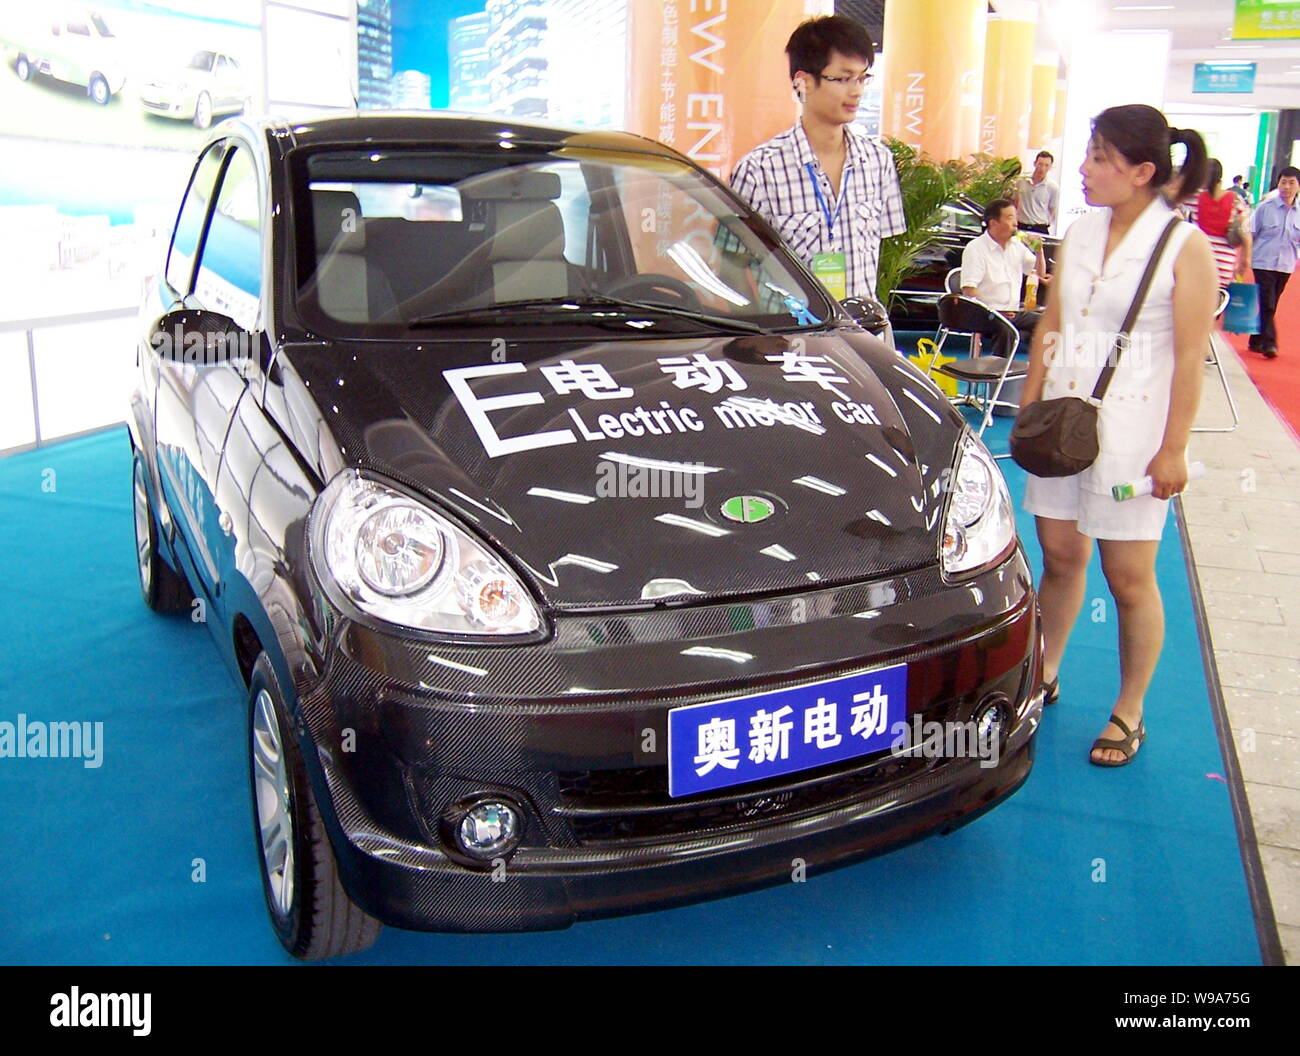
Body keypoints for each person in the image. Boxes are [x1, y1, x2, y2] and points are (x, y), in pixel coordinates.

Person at [1017, 104, 1217, 766]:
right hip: (1062, 420)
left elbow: (1190, 356)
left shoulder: (1182, 245)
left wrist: (1176, 447)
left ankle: (1129, 711)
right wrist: (1028, 396)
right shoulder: (1077, 233)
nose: (1084, 168)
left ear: (1142, 172)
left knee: (1128, 575)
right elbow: (1051, 320)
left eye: (1100, 158)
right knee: (1061, 556)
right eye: (1089, 153)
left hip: (1134, 430)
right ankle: (1045, 671)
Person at [729, 15, 905, 302]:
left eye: (862, 78)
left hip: (861, 335)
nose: (857, 91)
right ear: (804, 82)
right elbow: (732, 262)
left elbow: (882, 255)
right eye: (844, 78)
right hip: (792, 337)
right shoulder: (760, 170)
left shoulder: (878, 161)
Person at [960, 197, 1049, 354]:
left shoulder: (1016, 246)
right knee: (1006, 329)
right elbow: (969, 290)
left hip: (1013, 310)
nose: (1015, 223)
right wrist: (995, 310)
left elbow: (1039, 274)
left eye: (1015, 217)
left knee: (1047, 323)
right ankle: (999, 371)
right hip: (986, 312)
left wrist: (1038, 250)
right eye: (1009, 218)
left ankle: (1040, 369)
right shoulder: (976, 248)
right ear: (993, 223)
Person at [1248, 165, 1300, 359]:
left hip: (1285, 264)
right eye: (1283, 182)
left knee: (1270, 302)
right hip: (1263, 261)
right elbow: (1251, 233)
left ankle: (1255, 339)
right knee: (1268, 303)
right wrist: (1245, 258)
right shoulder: (1265, 208)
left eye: (1291, 183)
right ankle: (1270, 343)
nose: (1286, 187)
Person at [1186, 158, 1252, 288]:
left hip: (1197, 260)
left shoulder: (1194, 198)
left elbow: (1170, 196)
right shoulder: (1236, 200)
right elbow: (1245, 233)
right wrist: (1245, 259)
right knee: (1216, 304)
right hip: (1224, 264)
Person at [1014, 150, 1059, 234]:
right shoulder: (1021, 181)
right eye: (1040, 164)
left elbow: (1052, 210)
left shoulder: (1052, 187)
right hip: (1021, 225)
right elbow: (1015, 201)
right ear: (1035, 164)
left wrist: (1047, 222)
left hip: (1039, 227)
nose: (1042, 168)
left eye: (1046, 165)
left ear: (1050, 167)